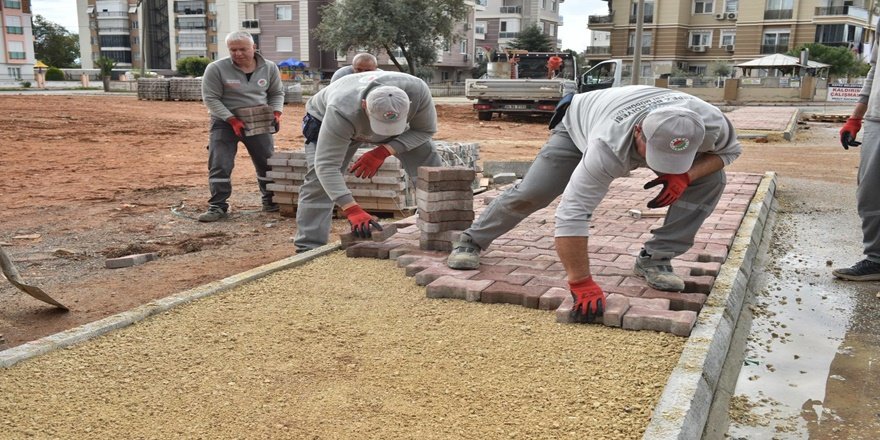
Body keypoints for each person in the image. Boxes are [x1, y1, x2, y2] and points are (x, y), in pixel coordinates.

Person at [447, 85, 742, 321]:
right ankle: (471, 240)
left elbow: (728, 153)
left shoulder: (711, 123)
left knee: (711, 181)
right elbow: (573, 213)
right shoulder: (607, 145)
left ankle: (656, 258)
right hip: (579, 124)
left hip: (640, 117)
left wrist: (687, 175)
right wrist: (581, 281)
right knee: (536, 191)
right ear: (639, 132)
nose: (666, 166)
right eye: (657, 155)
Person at [294, 71, 442, 252]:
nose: (385, 133)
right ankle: (308, 246)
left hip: (374, 117)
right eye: (382, 128)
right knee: (319, 180)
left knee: (430, 165)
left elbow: (425, 131)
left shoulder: (418, 91)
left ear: (408, 106)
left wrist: (382, 151)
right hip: (327, 118)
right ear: (364, 105)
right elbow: (326, 166)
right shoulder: (341, 109)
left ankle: (440, 224)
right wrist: (351, 209)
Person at [198, 31, 284, 222]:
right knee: (220, 163)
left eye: (242, 49)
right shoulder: (216, 69)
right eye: (233, 50)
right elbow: (211, 99)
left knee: (266, 162)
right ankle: (217, 206)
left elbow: (276, 93)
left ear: (253, 47)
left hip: (257, 120)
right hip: (224, 123)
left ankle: (270, 201)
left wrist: (276, 113)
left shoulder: (269, 68)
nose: (237, 53)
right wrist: (231, 119)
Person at [835, 19, 880, 281]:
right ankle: (876, 259)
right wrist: (856, 118)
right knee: (870, 193)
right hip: (877, 119)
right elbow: (875, 70)